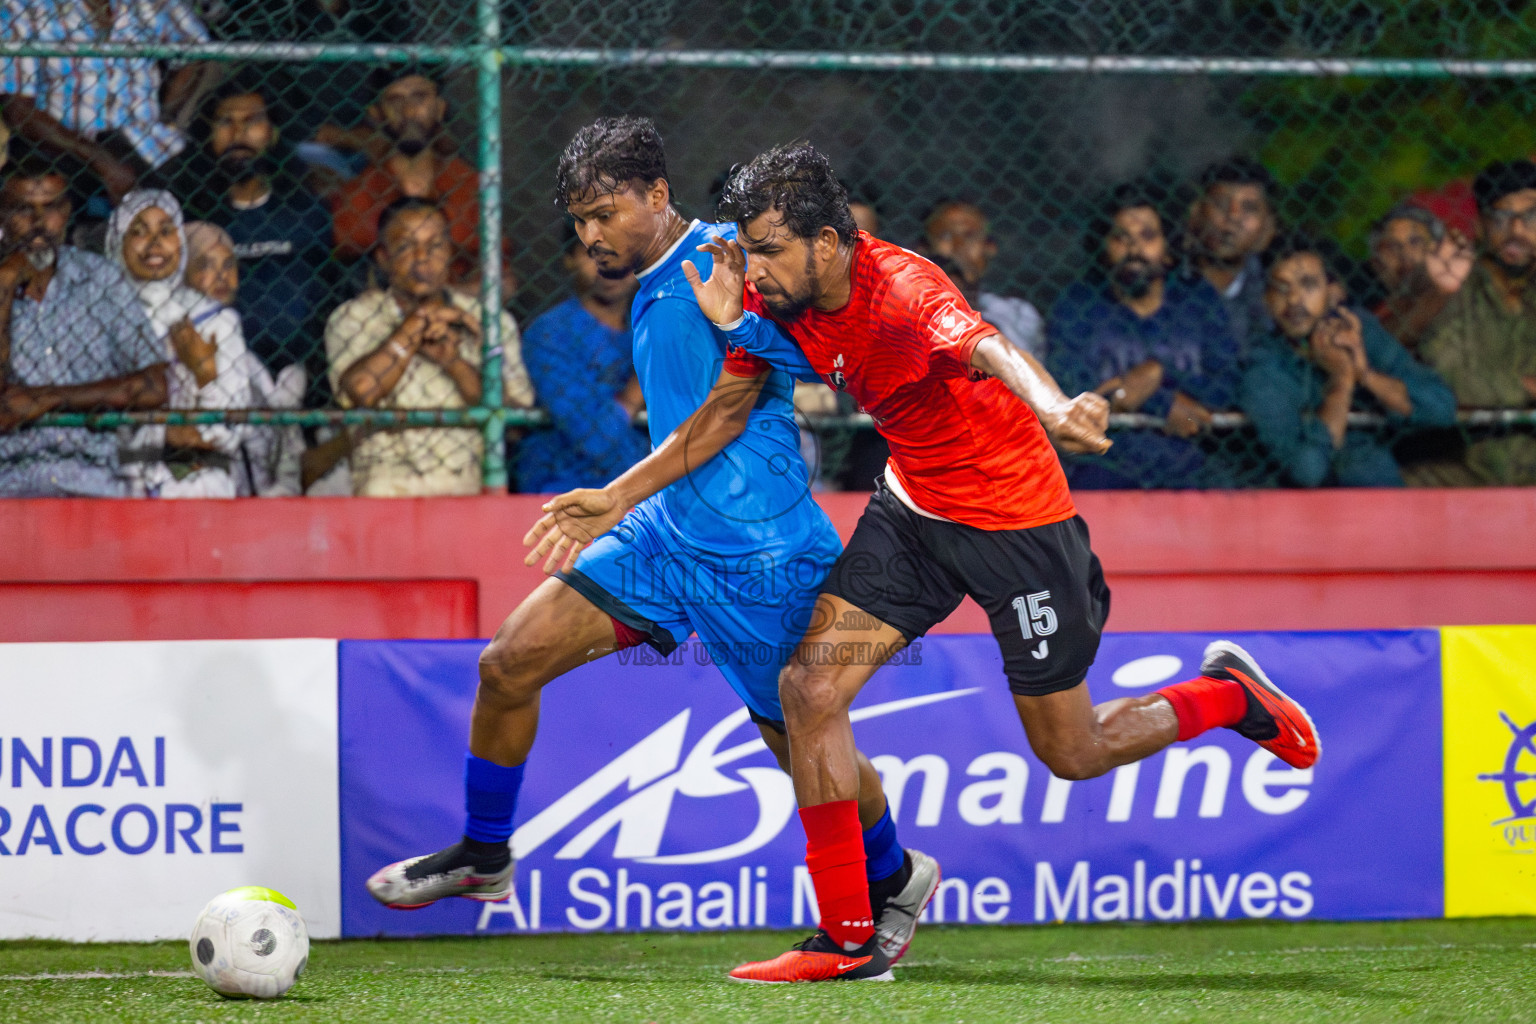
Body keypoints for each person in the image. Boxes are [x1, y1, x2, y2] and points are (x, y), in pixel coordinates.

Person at [538, 141, 1319, 982]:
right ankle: (847, 938)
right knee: (808, 689)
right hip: (912, 513)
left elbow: (988, 348)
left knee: (1075, 751)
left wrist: (1055, 405)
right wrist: (622, 491)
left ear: (826, 245)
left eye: (766, 248)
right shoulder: (778, 307)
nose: (751, 265)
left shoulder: (905, 290)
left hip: (1017, 525)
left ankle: (1227, 696)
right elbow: (730, 401)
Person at [365, 118, 937, 974]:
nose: (591, 235)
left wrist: (616, 494)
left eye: (604, 213)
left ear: (657, 196)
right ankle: (484, 855)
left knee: (810, 749)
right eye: (578, 221)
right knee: (508, 663)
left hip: (760, 556)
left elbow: (732, 408)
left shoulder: (721, 263)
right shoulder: (653, 277)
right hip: (666, 538)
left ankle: (892, 875)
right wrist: (635, 506)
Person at [325, 196, 533, 497]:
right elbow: (361, 391)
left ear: (450, 253)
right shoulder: (354, 318)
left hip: (469, 489)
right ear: (383, 258)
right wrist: (414, 327)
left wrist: (454, 364)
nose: (422, 256)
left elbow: (514, 425)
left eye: (435, 245)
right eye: (406, 246)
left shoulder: (489, 321)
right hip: (383, 491)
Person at [1047, 180, 1242, 489]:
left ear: (1167, 248)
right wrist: (1163, 403)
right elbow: (1069, 398)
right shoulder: (1076, 307)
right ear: (1103, 246)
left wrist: (1148, 384)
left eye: (1147, 236)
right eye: (1121, 238)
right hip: (1102, 469)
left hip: (1194, 467)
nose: (1134, 249)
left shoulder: (1198, 300)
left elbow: (1227, 386)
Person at [0, 158, 167, 495]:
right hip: (10, 482)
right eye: (22, 209)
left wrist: (48, 398)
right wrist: (4, 283)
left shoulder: (101, 279)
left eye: (51, 208)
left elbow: (153, 385)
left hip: (93, 479)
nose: (38, 223)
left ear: (68, 211)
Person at [160, 75, 334, 386]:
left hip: (298, 372)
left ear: (273, 133)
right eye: (225, 122)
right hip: (212, 371)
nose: (238, 133)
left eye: (251, 121)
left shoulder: (307, 211)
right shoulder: (188, 216)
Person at [1243, 235, 1456, 487]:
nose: (1293, 300)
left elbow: (1442, 407)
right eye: (1281, 288)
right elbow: (1308, 472)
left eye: (1308, 285)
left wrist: (1365, 374)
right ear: (1266, 300)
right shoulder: (1263, 364)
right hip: (1302, 512)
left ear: (1332, 293)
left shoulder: (1359, 330)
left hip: (1380, 494)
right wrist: (1341, 382)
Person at [107, 189, 252, 498]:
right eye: (138, 232)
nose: (155, 243)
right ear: (118, 243)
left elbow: (228, 433)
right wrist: (171, 433)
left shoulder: (215, 319)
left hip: (201, 485)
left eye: (166, 231)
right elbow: (94, 427)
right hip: (118, 482)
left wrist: (203, 373)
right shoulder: (100, 316)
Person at [0, 0, 210, 200]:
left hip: (150, 143)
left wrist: (165, 115)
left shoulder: (150, 4)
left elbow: (196, 49)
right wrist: (102, 162)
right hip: (69, 149)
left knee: (203, 188)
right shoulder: (24, 7)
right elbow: (18, 110)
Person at [1420, 159, 1536, 486]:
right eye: (1502, 217)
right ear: (1482, 226)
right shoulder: (1454, 284)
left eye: (1530, 217)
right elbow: (1445, 372)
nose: (1516, 230)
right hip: (1465, 471)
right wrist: (1524, 387)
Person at [514, 226, 646, 492]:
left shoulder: (643, 331)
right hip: (563, 489)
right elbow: (594, 438)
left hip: (641, 495)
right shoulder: (550, 333)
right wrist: (640, 384)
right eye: (595, 253)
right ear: (569, 258)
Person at [183, 220, 306, 496]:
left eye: (228, 265)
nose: (221, 277)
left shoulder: (246, 355)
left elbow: (282, 451)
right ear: (183, 274)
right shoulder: (171, 341)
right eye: (205, 265)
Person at [330, 68, 486, 284]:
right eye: (395, 100)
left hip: (458, 308)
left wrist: (449, 303)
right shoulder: (356, 194)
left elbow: (502, 277)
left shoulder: (470, 184)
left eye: (420, 97)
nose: (410, 112)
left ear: (440, 108)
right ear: (376, 114)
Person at [923, 199, 1044, 358]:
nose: (959, 246)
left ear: (990, 247)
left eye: (969, 235)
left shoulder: (1017, 313)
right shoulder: (909, 310)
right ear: (924, 249)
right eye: (945, 236)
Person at [1186, 156, 1278, 355]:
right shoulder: (1162, 282)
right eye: (1220, 204)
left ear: (1268, 228)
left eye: (1249, 208)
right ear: (1196, 214)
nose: (1233, 217)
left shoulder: (1275, 295)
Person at [1369, 205, 1473, 356]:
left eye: (1415, 242)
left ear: (1439, 248)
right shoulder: (1373, 320)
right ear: (1377, 265)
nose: (1406, 255)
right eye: (1392, 247)